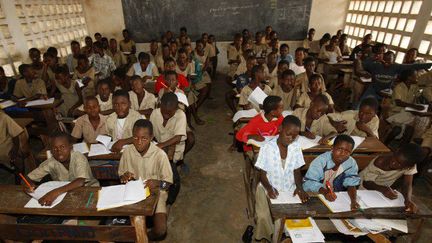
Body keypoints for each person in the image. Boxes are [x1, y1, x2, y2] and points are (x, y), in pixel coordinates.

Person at [254, 115, 308, 242]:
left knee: (287, 219)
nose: (291, 138)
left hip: (288, 188)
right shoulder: (267, 147)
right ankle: (265, 238)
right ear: (280, 129)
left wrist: (299, 188)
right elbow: (262, 174)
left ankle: (279, 237)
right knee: (263, 217)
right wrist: (269, 187)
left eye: (295, 136)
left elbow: (297, 170)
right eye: (288, 134)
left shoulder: (295, 147)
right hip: (268, 187)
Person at [118, 119, 173, 240]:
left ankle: (146, 238)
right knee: (121, 227)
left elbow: (168, 184)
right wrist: (124, 177)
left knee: (160, 230)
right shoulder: (127, 151)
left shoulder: (160, 155)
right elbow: (121, 175)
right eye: (135, 138)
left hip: (156, 193)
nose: (139, 142)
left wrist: (157, 182)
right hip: (134, 192)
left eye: (144, 138)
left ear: (151, 137)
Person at [26, 131, 99, 206]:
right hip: (65, 195)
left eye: (62, 147)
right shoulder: (50, 163)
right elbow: (27, 178)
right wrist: (27, 184)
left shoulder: (78, 157)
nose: (59, 151)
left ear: (70, 146)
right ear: (50, 151)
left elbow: (80, 181)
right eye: (54, 148)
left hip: (90, 191)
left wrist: (54, 193)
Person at [360, 143, 424, 213]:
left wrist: (407, 200)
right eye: (395, 158)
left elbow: (407, 184)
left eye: (399, 164)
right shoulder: (380, 161)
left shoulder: (409, 165)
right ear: (396, 151)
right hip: (363, 187)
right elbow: (366, 183)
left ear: (408, 167)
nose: (393, 163)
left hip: (382, 190)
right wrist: (383, 189)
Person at [303, 134, 361, 211]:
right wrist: (325, 192)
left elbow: (351, 183)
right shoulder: (321, 161)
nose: (343, 153)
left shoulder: (351, 163)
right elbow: (308, 183)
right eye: (340, 149)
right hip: (316, 192)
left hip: (336, 195)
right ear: (332, 148)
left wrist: (353, 201)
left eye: (347, 151)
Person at [360, 51, 432, 103]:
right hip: (373, 90)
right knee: (359, 106)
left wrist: (429, 64)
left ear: (393, 60)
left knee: (386, 108)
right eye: (385, 59)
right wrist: (373, 58)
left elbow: (413, 66)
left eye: (389, 60)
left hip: (387, 91)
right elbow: (364, 64)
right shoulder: (376, 65)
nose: (386, 62)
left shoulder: (396, 67)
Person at [385, 69, 422, 146]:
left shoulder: (414, 86)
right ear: (409, 77)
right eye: (415, 76)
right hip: (395, 112)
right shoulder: (399, 87)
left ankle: (401, 149)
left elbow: (419, 96)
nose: (417, 77)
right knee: (397, 129)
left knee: (410, 130)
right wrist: (414, 106)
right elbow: (399, 102)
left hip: (407, 112)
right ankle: (384, 144)